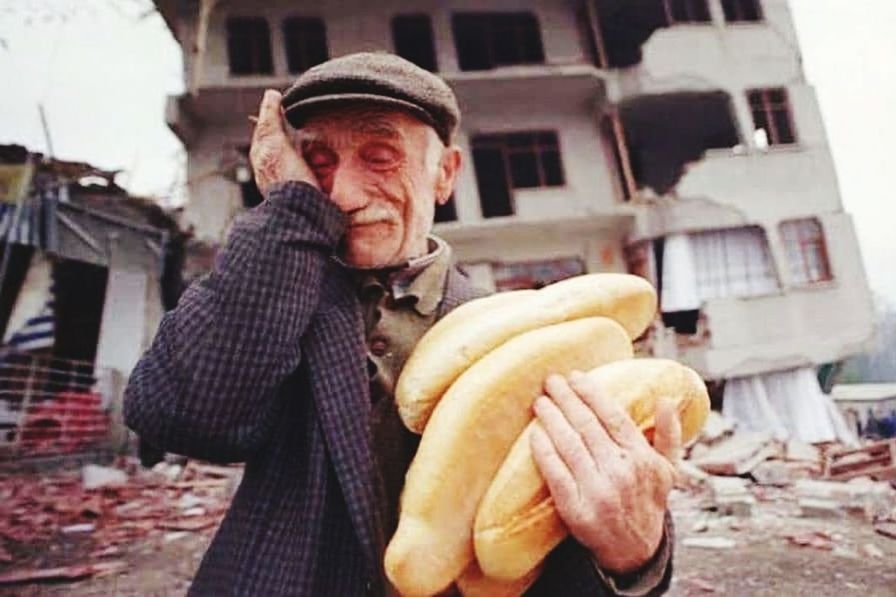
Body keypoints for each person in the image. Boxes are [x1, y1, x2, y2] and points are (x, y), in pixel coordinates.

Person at [123, 53, 677, 596]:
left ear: (445, 174)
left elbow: (545, 531)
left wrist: (634, 557)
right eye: (318, 164)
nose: (342, 195)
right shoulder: (269, 302)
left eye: (381, 156)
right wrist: (290, 211)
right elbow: (179, 417)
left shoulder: (522, 336)